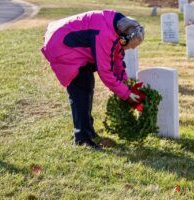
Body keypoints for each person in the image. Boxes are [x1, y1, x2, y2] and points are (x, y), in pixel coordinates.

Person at [41, 10, 145, 150]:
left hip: (72, 43)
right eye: (131, 46)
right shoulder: (106, 34)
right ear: (124, 39)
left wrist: (125, 83)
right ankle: (82, 138)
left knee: (87, 86)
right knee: (81, 90)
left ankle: (88, 131)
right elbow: (105, 71)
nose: (131, 49)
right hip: (63, 45)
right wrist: (125, 94)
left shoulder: (118, 30)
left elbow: (116, 59)